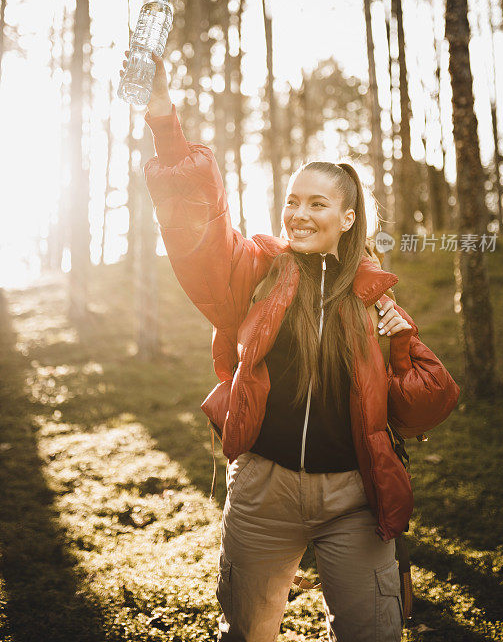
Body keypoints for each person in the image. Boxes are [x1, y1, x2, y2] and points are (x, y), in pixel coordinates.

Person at [120, 50, 460, 642]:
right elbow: (197, 233)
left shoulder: (375, 297)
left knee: (373, 632)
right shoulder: (257, 270)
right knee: (246, 632)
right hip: (262, 490)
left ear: (349, 217)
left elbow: (431, 401)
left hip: (353, 498)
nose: (298, 215)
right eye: (293, 202)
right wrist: (163, 120)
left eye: (317, 204)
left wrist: (399, 340)